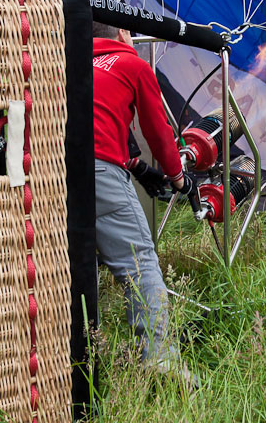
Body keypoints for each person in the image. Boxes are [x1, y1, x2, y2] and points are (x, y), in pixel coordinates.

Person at [91, 19, 196, 371]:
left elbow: (95, 121)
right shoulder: (132, 64)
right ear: (122, 33)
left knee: (81, 265)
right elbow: (158, 131)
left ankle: (86, 357)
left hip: (54, 177)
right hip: (101, 173)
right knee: (139, 264)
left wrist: (136, 165)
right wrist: (179, 178)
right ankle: (160, 363)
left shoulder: (66, 63)